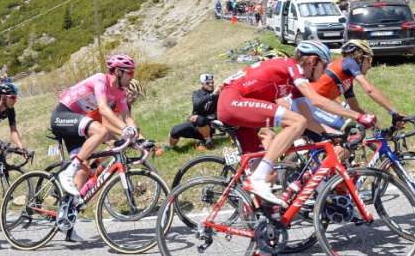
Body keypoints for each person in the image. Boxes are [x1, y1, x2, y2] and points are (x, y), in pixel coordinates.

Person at [216, 40, 375, 206]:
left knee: (269, 174)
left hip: (239, 113)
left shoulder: (294, 83)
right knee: (295, 122)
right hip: (232, 101)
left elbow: (308, 118)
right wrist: (357, 116)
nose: (323, 73)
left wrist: (335, 135)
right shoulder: (292, 66)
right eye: (324, 65)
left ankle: (259, 220)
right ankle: (257, 179)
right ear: (312, 61)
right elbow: (315, 101)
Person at [54, 55, 140, 197]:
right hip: (62, 116)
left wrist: (139, 139)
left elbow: (127, 117)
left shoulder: (119, 92)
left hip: (77, 126)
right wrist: (125, 129)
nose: (132, 76)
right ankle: (67, 173)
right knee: (102, 131)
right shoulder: (101, 79)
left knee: (83, 169)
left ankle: (68, 206)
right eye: (130, 72)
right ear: (118, 72)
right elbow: (103, 109)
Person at [295, 40, 402, 130]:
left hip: (316, 106)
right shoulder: (349, 62)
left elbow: (354, 107)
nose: (370, 66)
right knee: (349, 135)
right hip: (310, 104)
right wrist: (394, 112)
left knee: (352, 138)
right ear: (360, 58)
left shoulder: (346, 78)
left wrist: (376, 129)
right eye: (369, 60)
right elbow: (369, 90)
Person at [166, 74, 219, 151]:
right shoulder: (197, 93)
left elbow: (220, 112)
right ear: (202, 84)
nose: (211, 85)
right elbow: (197, 104)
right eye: (207, 83)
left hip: (208, 126)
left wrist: (214, 95)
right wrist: (211, 96)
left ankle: (207, 141)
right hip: (194, 124)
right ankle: (171, 147)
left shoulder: (218, 94)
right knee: (175, 130)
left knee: (200, 119)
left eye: (212, 82)